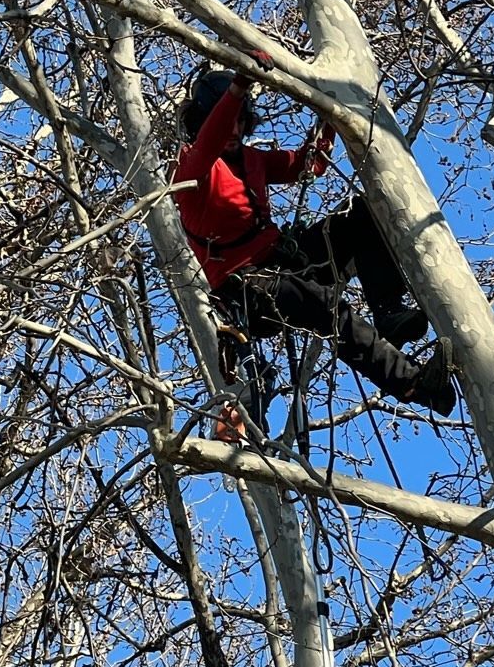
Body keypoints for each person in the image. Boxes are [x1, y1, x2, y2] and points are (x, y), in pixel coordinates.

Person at [174, 65, 458, 417]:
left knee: (362, 214)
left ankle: (389, 312)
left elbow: (309, 165)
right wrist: (240, 85)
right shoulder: (191, 166)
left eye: (239, 121)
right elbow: (212, 138)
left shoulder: (251, 160)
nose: (233, 130)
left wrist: (329, 114)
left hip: (286, 260)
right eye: (226, 120)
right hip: (249, 289)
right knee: (325, 308)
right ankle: (413, 384)